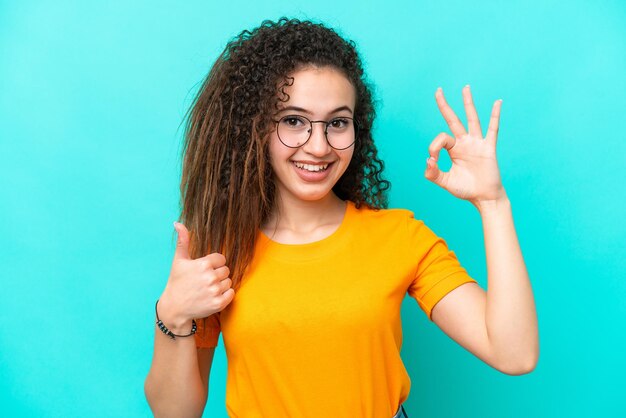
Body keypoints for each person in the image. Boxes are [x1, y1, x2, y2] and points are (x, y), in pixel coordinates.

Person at [144, 17, 539, 418]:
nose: (318, 146)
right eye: (293, 121)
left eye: (337, 123)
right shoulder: (221, 253)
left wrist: (493, 203)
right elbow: (176, 413)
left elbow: (514, 354)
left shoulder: (400, 237)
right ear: (257, 128)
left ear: (357, 128)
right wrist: (172, 313)